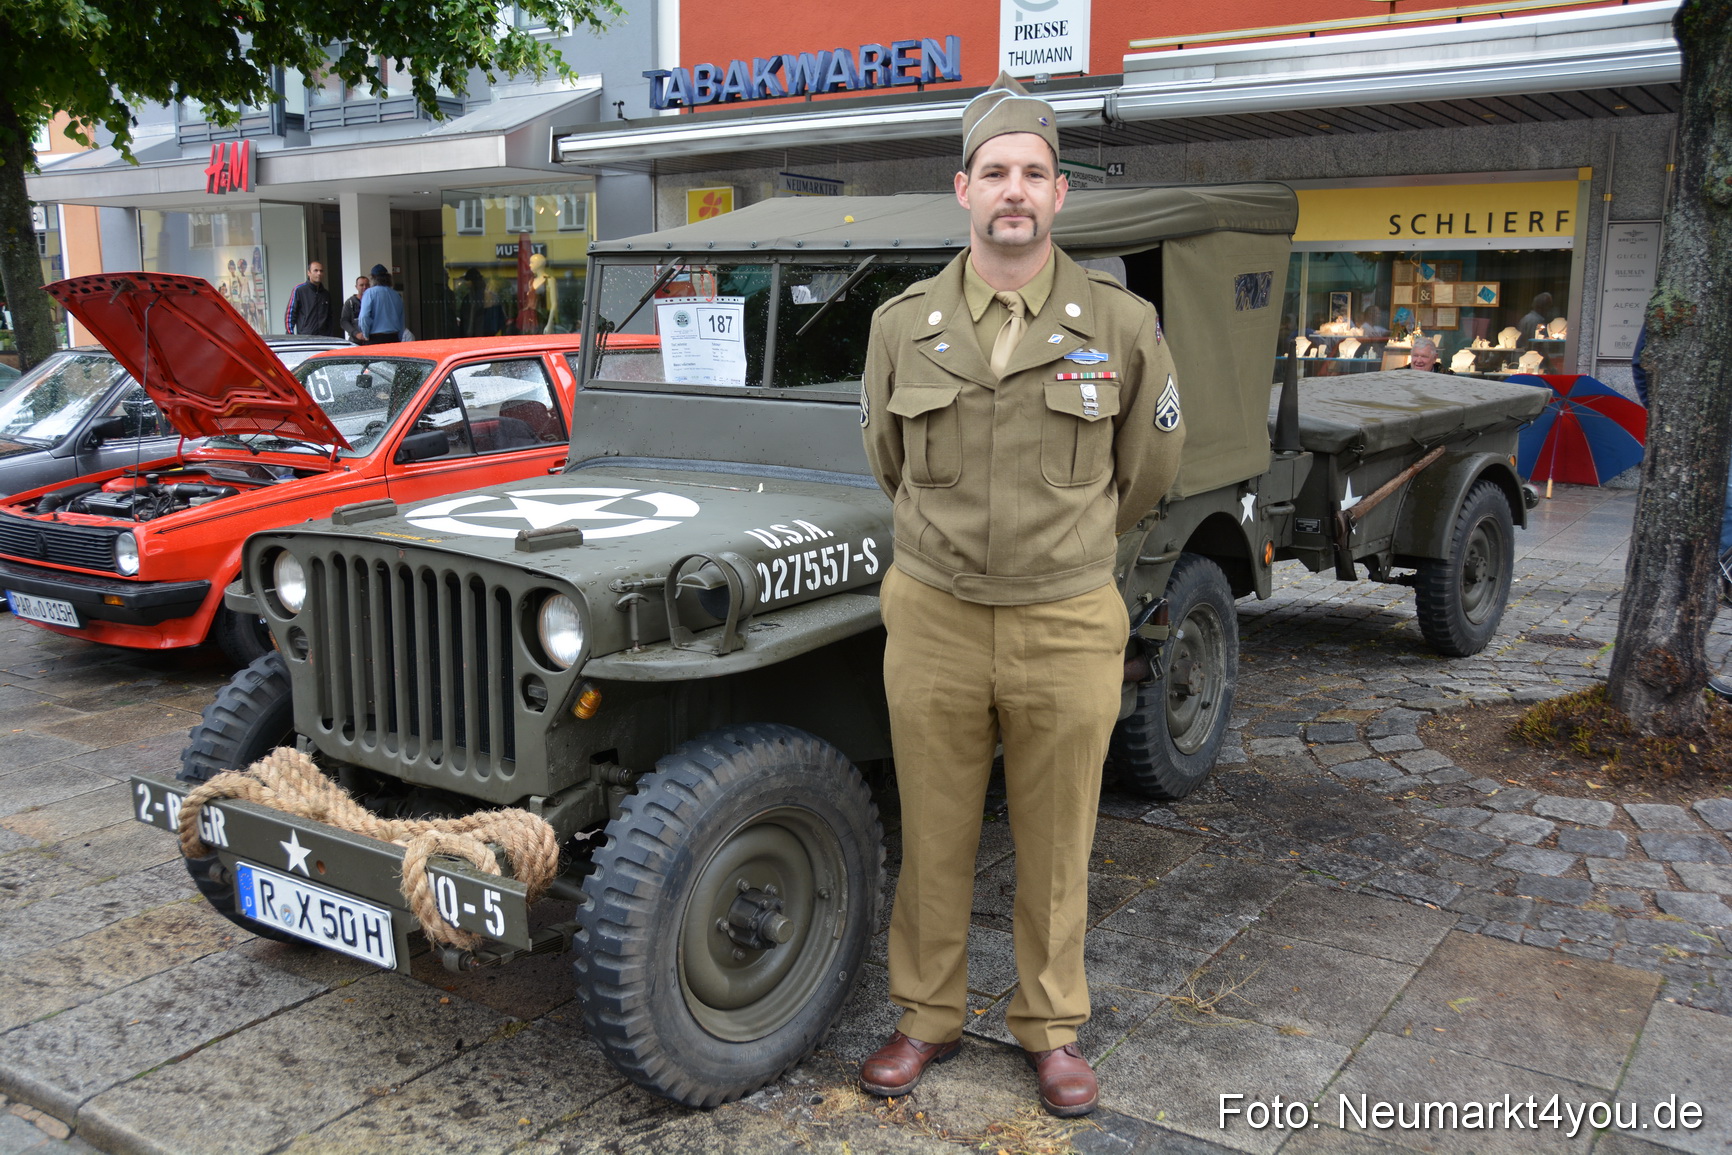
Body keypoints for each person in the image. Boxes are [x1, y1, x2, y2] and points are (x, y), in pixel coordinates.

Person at [858, 72, 1184, 1119]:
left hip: (1065, 618)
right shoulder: (902, 325)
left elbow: (1148, 470)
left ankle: (1050, 1027)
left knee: (1056, 840)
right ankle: (926, 1015)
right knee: (934, 827)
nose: (1014, 190)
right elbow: (888, 462)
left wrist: (1067, 545)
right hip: (935, 614)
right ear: (964, 189)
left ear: (1059, 194)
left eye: (1034, 174)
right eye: (994, 171)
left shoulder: (1121, 325)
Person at [283, 261, 337, 337]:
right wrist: (290, 335)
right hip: (305, 337)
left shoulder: (326, 294)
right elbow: (290, 314)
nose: (319, 273)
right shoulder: (299, 290)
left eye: (321, 271)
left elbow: (330, 317)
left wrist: (330, 335)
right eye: (316, 270)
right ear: (309, 273)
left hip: (323, 338)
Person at [357, 264, 405, 344]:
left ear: (373, 278)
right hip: (394, 337)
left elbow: (364, 316)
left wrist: (365, 334)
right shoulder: (396, 295)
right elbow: (401, 319)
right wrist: (399, 337)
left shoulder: (369, 293)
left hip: (375, 338)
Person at [340, 276, 369, 343]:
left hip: (371, 340)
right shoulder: (350, 302)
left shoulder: (373, 301)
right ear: (356, 287)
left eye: (367, 285)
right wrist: (356, 333)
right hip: (355, 341)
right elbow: (344, 321)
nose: (364, 287)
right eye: (361, 285)